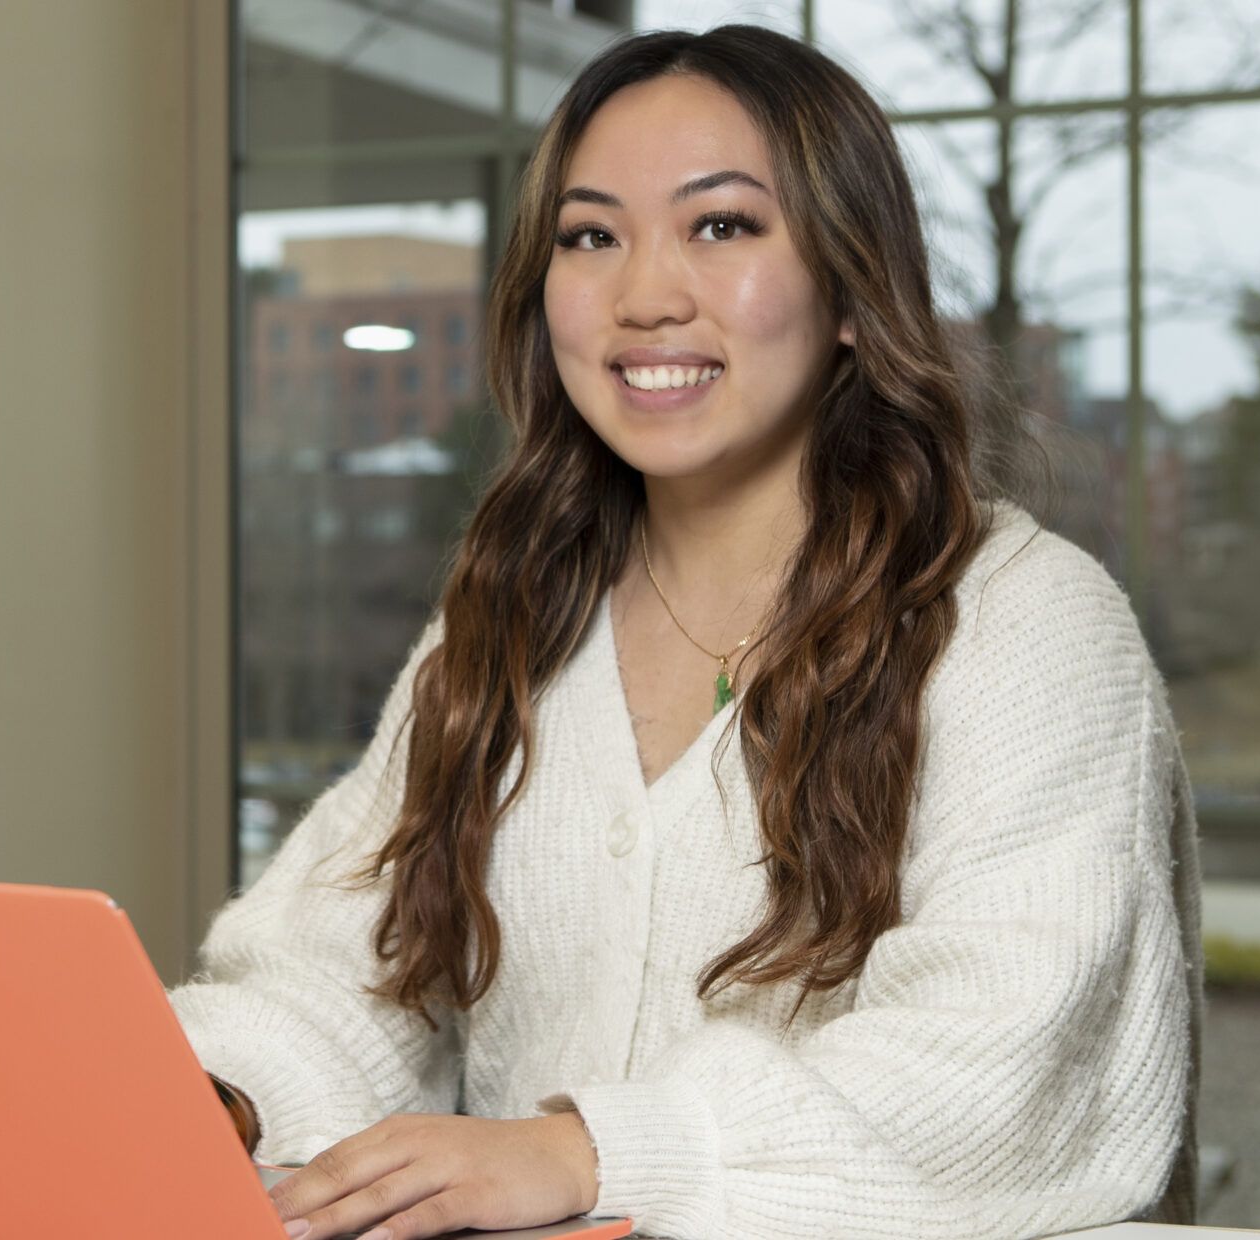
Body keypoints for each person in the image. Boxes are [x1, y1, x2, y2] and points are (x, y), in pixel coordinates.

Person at [170, 23, 1201, 1240]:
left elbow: (999, 1066)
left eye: (721, 226)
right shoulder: (512, 613)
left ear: (852, 290)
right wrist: (216, 1098)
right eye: (589, 235)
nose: (644, 296)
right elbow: (349, 972)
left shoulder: (1022, 620)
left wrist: (596, 1153)